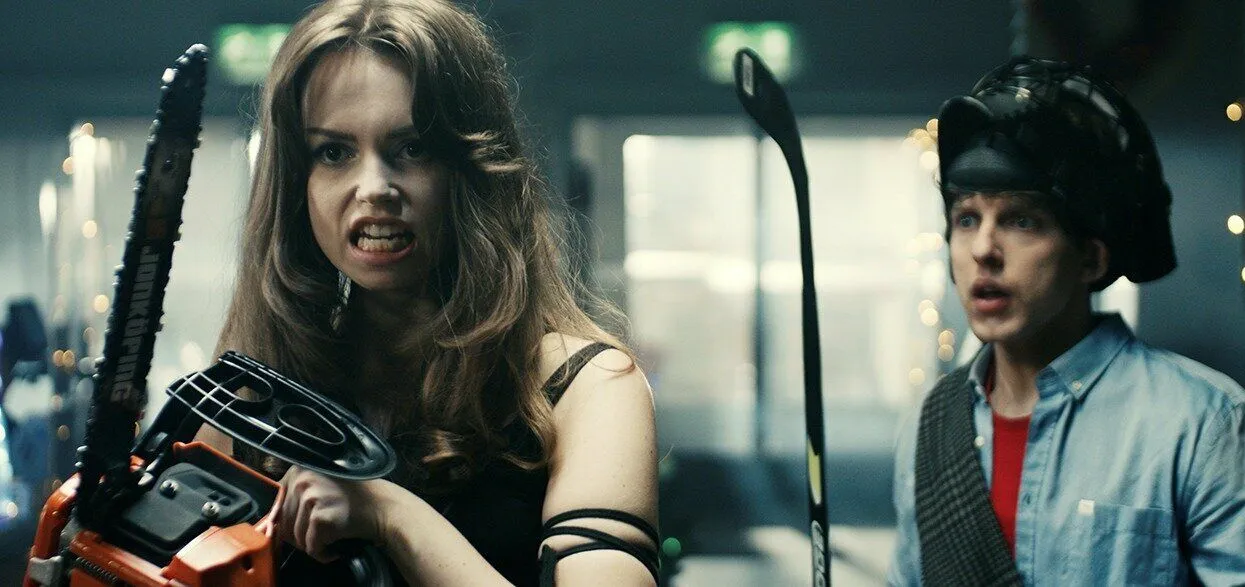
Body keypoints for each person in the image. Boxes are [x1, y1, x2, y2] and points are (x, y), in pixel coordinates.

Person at [195, 1, 660, 585]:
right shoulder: (247, 401)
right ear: (297, 183)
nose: (374, 188)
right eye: (333, 152)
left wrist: (391, 515)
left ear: (472, 168)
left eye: (412, 148)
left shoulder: (588, 387)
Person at [888, 56, 1245, 586]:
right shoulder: (931, 422)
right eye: (966, 219)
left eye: (1021, 220)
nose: (983, 248)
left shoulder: (1199, 423)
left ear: (1091, 259)